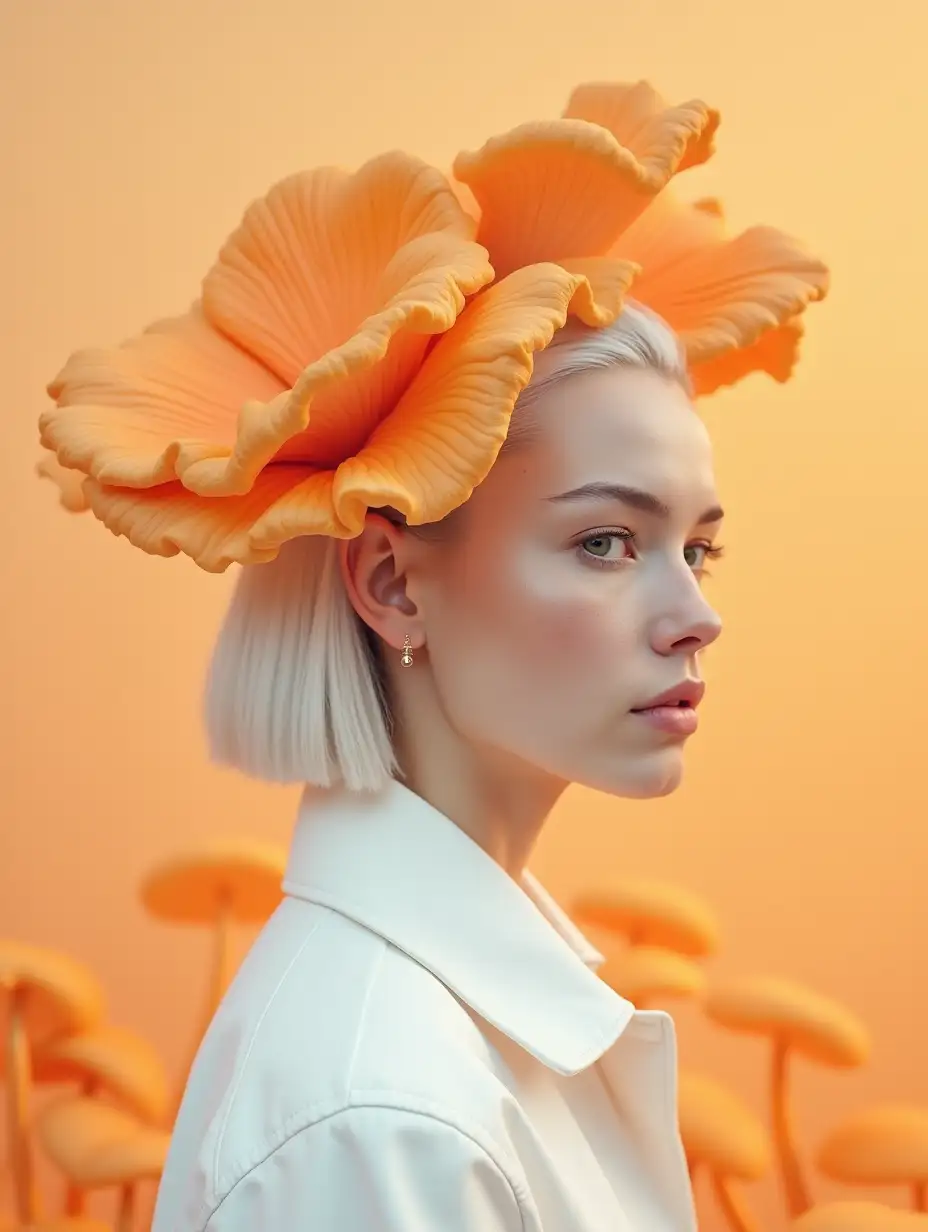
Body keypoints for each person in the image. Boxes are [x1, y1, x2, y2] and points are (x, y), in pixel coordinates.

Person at [37, 78, 828, 1231]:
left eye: (697, 547)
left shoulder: (436, 1046)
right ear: (393, 581)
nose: (691, 613)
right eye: (605, 541)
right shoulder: (382, 1115)